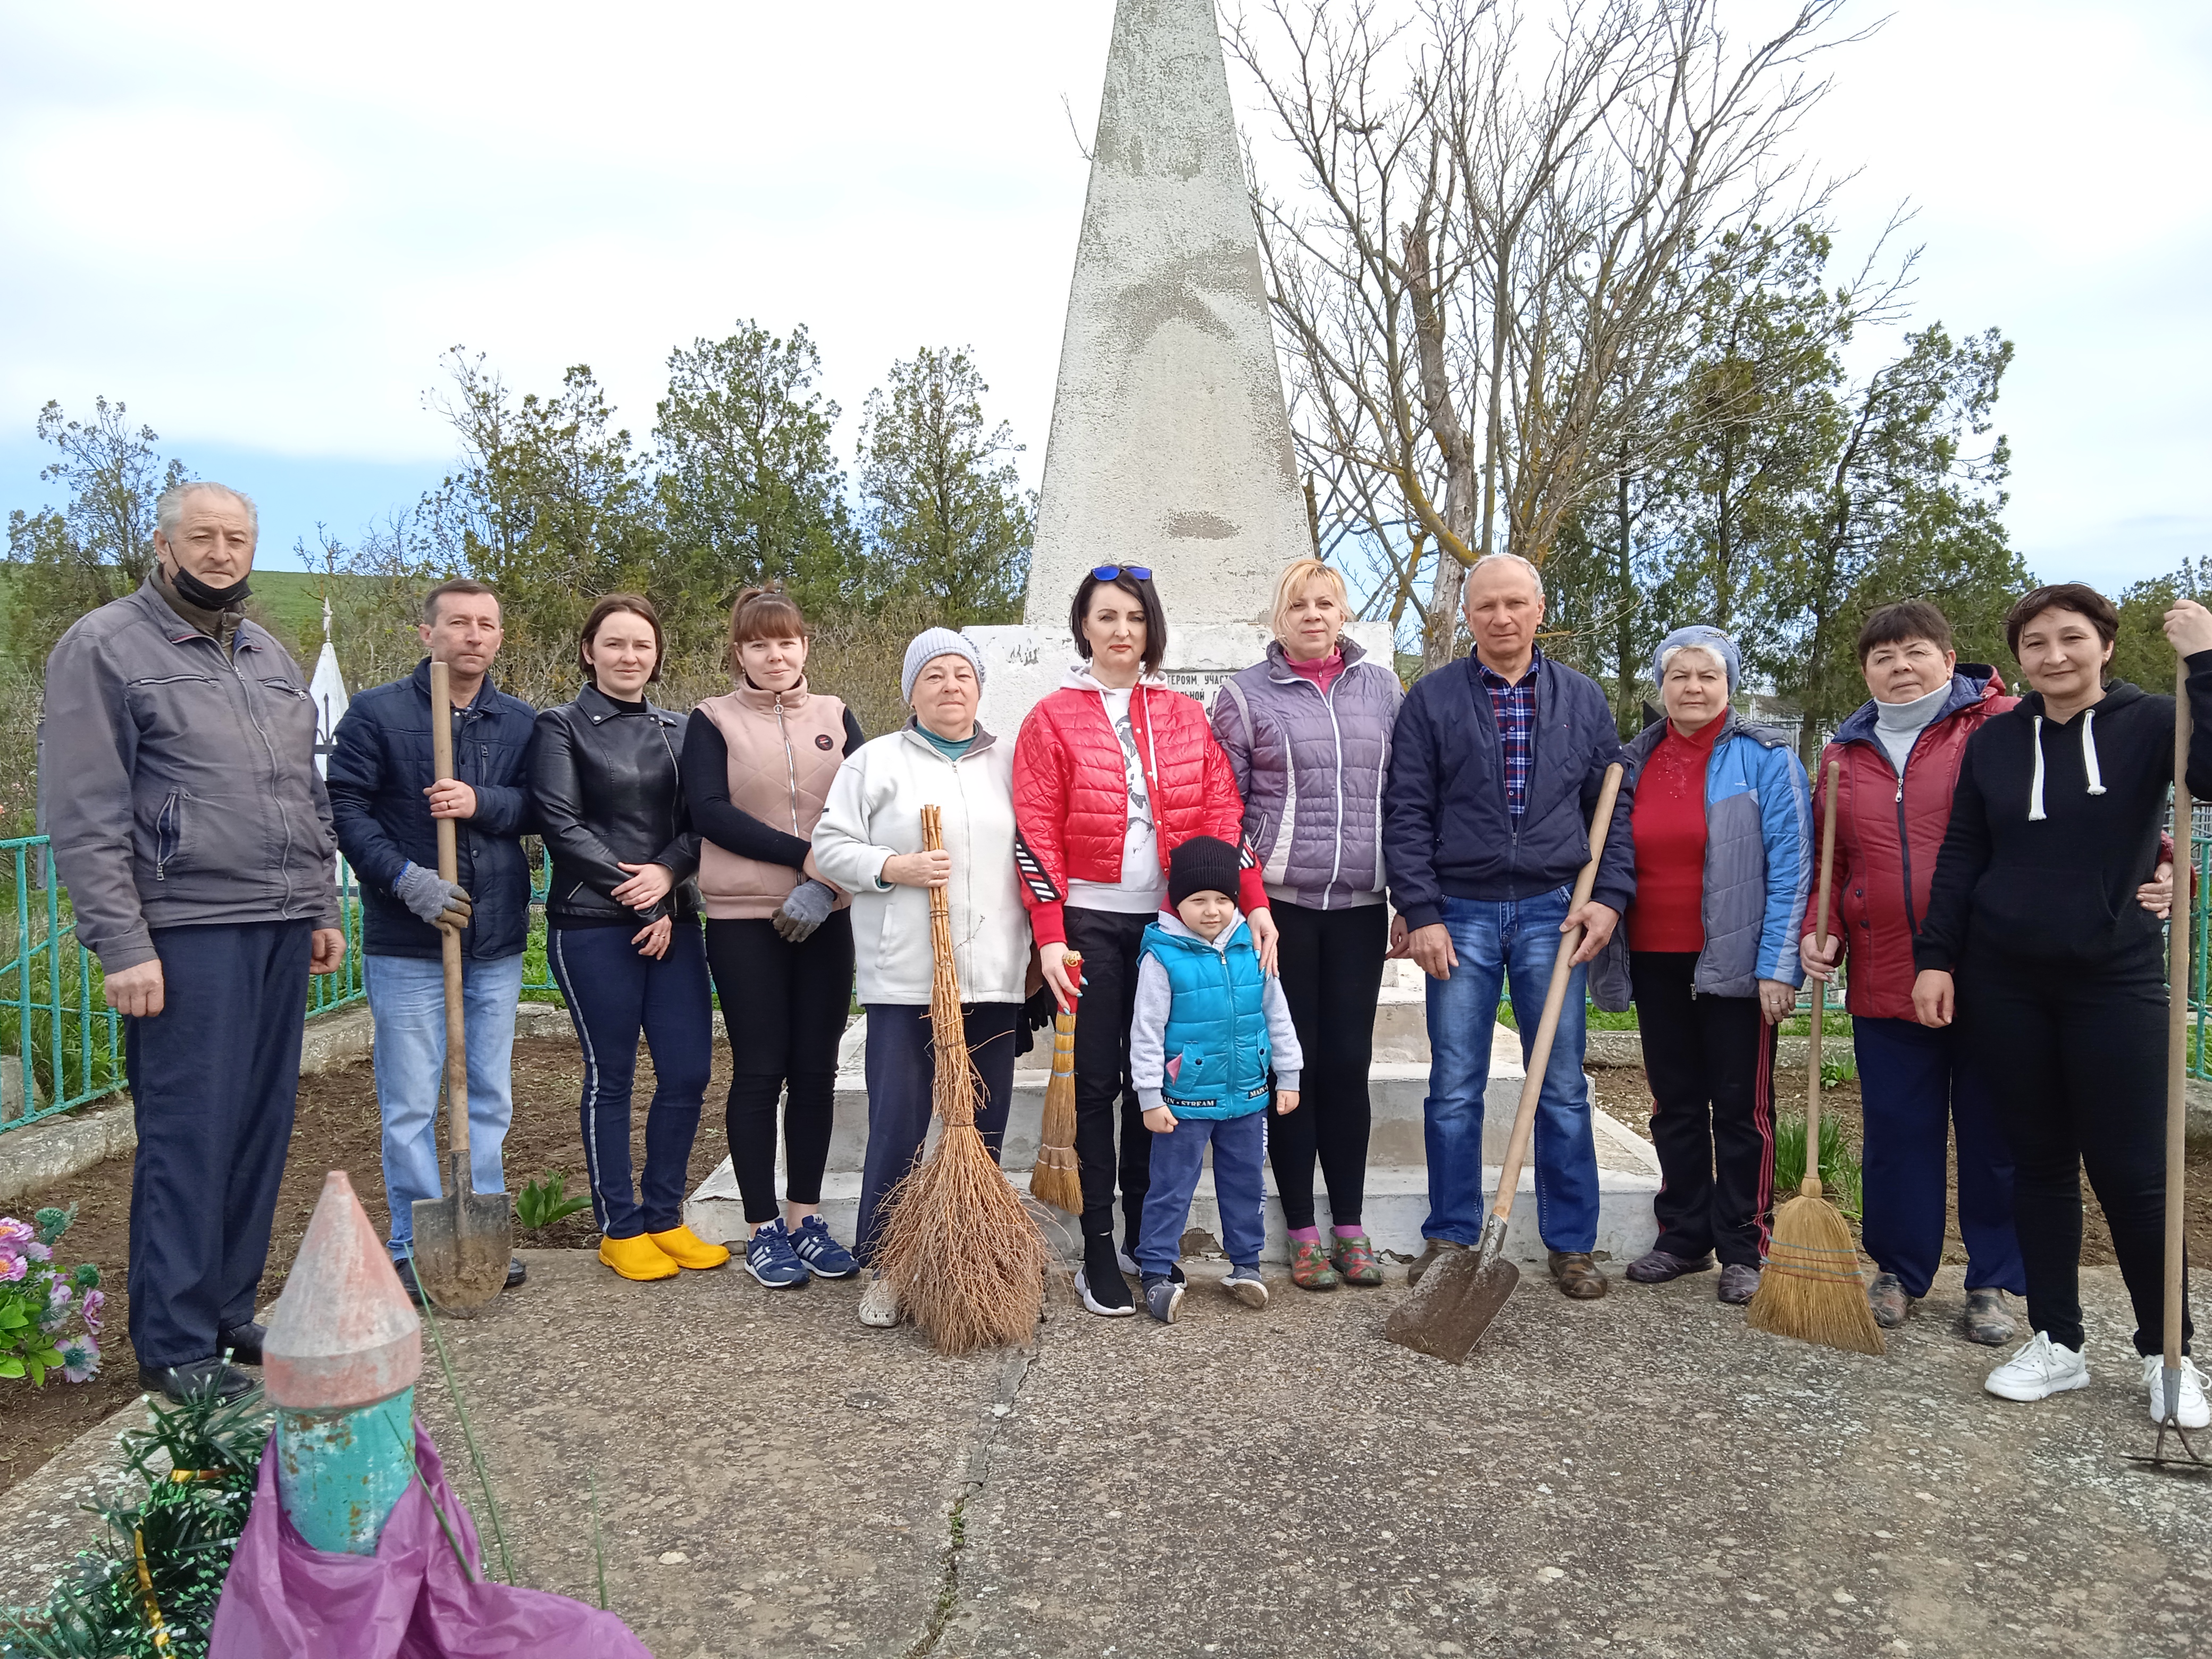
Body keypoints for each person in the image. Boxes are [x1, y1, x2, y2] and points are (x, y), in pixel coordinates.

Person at [43, 481, 347, 1402]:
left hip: (281, 920)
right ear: (165, 545)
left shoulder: (266, 650)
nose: (223, 552)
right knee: (188, 1135)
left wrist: (322, 904)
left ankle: (224, 1310)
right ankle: (173, 1341)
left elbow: (304, 785)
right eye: (204, 537)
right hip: (184, 930)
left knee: (259, 1127)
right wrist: (120, 943)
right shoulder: (105, 645)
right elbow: (86, 810)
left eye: (239, 537)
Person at [1800, 602, 2165, 1342]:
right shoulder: (1845, 753)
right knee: (1898, 1133)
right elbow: (1833, 860)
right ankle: (1900, 1269)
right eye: (1882, 657)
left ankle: (1994, 1279)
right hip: (1886, 970)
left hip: (1995, 971)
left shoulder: (2002, 727)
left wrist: (2162, 863)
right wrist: (1825, 925)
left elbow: (2093, 813)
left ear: (1948, 657)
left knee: (1999, 1131)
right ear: (1864, 670)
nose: (1900, 668)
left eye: (1915, 653)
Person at [1915, 584, 2211, 1427]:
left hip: (2112, 980)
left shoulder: (2155, 721)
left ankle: (2169, 1354)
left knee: (2135, 1175)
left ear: (2105, 646)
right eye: (2035, 643)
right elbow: (1966, 851)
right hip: (2005, 980)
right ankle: (2058, 1342)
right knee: (2037, 1165)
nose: (2053, 656)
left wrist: (2205, 661)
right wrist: (1937, 958)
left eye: (2070, 639)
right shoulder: (1998, 742)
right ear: (2019, 659)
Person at [1011, 565, 1273, 1317]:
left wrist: (1250, 903)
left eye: (1134, 617)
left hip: (1169, 926)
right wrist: (1052, 935)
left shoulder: (1183, 716)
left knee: (1155, 1081)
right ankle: (1097, 1242)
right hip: (1090, 924)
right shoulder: (1052, 718)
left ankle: (1140, 1236)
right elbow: (1035, 835)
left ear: (1152, 628)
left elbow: (1223, 817)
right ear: (1083, 628)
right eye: (1106, 617)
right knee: (1096, 1084)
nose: (1121, 630)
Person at [1384, 553, 1634, 1301]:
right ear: (1468, 614)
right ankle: (1452, 1235)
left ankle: (1571, 1245)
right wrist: (1421, 910)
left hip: (1554, 913)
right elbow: (1405, 811)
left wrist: (1608, 897)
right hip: (1458, 911)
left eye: (1515, 604)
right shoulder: (1432, 701)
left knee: (1559, 1086)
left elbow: (1614, 813)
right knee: (1454, 1084)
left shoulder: (1583, 702)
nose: (1501, 617)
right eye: (1487, 605)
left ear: (1539, 609)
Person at [814, 630, 1032, 1329]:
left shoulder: (1011, 764)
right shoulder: (876, 763)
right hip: (907, 975)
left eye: (962, 674)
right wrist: (892, 868)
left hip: (994, 974)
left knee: (984, 1122)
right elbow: (828, 847)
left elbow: (1038, 852)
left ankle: (977, 1252)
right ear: (911, 691)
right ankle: (885, 1264)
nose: (949, 686)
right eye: (933, 675)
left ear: (980, 687)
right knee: (900, 1123)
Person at [328, 578, 536, 1302]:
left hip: (495, 935)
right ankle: (415, 1241)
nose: (472, 635)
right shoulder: (378, 714)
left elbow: (538, 805)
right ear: (427, 633)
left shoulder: (519, 722)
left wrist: (483, 802)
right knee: (412, 1098)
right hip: (409, 939)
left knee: (488, 1093)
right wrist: (403, 878)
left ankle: (479, 1228)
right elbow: (346, 808)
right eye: (457, 623)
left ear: (500, 637)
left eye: (486, 624)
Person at [1591, 627, 1809, 1307]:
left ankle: (1745, 1244)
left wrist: (1777, 966)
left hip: (1737, 961)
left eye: (1705, 676)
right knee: (1673, 1103)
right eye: (1678, 676)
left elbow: (1791, 869)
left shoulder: (1765, 761)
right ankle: (1682, 1236)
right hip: (1655, 954)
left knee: (1741, 1108)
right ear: (1660, 687)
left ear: (1728, 685)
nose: (1691, 688)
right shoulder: (1629, 762)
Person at [1212, 557, 1401, 1291]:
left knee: (1347, 1065)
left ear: (1342, 613)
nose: (1313, 615)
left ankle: (1349, 1225)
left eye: (1326, 603)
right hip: (1280, 912)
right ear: (1278, 617)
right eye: (1299, 604)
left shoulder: (1383, 688)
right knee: (1293, 1064)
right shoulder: (1244, 695)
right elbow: (1225, 809)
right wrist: (1250, 901)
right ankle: (1299, 1228)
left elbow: (1406, 796)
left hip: (1358, 907)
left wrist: (1410, 896)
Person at [529, 594, 726, 1283]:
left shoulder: (683, 729)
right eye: (614, 644)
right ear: (589, 651)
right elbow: (561, 823)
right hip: (592, 925)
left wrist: (668, 883)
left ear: (656, 655)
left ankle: (666, 1215)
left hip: (675, 921)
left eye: (641, 645)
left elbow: (704, 819)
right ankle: (619, 1226)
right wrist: (643, 900)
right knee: (611, 1077)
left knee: (687, 1073)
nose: (628, 657)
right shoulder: (561, 726)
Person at [683, 587, 864, 1290]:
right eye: (759, 644)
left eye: (786, 641)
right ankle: (762, 1229)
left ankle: (804, 1219)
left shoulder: (836, 716)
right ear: (740, 653)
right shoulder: (713, 721)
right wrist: (806, 857)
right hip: (743, 917)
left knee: (816, 1070)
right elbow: (710, 812)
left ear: (805, 646)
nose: (775, 655)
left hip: (828, 912)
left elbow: (865, 805)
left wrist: (825, 884)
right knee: (762, 1070)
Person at [1128, 837, 1304, 1323]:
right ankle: (1157, 1272)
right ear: (1177, 902)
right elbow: (1145, 1030)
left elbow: (1279, 1016)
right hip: (1184, 1100)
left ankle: (1246, 1266)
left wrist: (1287, 1074)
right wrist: (1149, 1095)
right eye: (1198, 900)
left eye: (1224, 900)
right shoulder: (1161, 956)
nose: (1212, 911)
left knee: (1246, 1183)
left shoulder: (1254, 948)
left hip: (1247, 1094)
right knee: (1170, 1186)